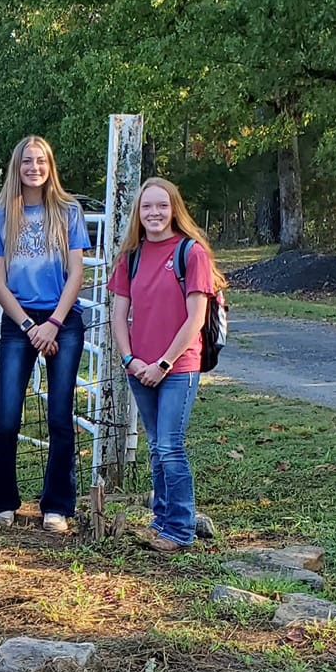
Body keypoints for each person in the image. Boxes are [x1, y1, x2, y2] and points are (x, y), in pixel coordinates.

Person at [108, 176, 226, 554]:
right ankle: (161, 519)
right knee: (156, 446)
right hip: (139, 367)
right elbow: (118, 312)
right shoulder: (132, 256)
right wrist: (130, 359)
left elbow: (195, 318)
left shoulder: (192, 254)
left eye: (162, 205)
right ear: (138, 214)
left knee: (171, 446)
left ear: (174, 209)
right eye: (147, 207)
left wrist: (163, 362)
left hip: (178, 366)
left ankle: (180, 528)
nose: (154, 213)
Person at [0, 136, 91, 534]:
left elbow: (76, 274)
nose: (34, 167)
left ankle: (57, 505)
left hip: (62, 320)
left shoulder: (68, 211)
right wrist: (30, 326)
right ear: (17, 166)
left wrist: (54, 324)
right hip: (19, 322)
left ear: (50, 166)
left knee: (60, 416)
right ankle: (4, 501)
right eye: (27, 161)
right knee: (8, 416)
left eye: (40, 160)